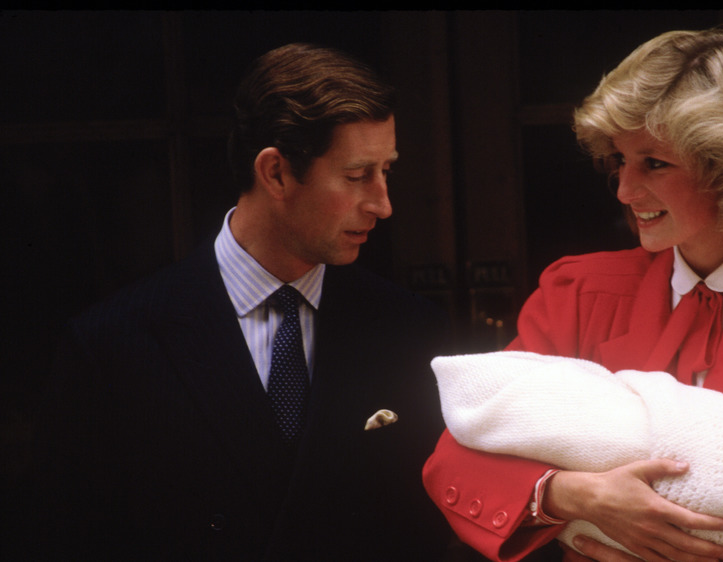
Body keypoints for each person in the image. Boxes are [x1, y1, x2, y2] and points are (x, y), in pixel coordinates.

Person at [422, 27, 723, 562]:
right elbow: (456, 454)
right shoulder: (576, 293)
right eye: (619, 159)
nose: (623, 189)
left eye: (654, 163)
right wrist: (573, 495)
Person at [28, 43, 453, 560]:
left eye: (387, 170)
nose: (383, 204)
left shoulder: (412, 330)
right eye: (357, 175)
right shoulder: (112, 345)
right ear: (274, 172)